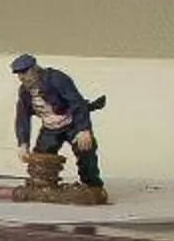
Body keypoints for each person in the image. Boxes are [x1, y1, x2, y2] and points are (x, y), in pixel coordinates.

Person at [10, 54, 106, 192]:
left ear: (35, 69)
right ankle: (42, 187)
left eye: (24, 72)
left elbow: (77, 103)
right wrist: (23, 143)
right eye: (18, 74)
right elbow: (22, 117)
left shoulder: (57, 79)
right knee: (40, 161)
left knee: (86, 151)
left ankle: (93, 187)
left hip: (72, 124)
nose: (21, 77)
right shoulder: (25, 91)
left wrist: (83, 129)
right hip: (50, 129)